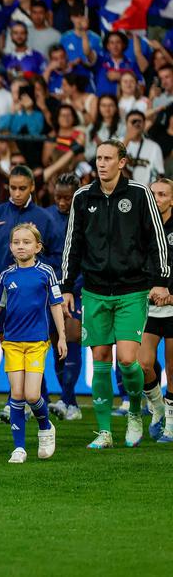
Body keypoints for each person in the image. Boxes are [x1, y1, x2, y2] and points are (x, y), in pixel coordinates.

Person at [61, 139, 170, 449]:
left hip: (132, 289)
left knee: (126, 359)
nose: (101, 163)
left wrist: (161, 279)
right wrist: (66, 287)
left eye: (108, 158)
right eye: (99, 158)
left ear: (122, 162)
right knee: (99, 358)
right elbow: (73, 244)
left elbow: (156, 240)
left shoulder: (140, 194)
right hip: (94, 290)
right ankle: (105, 432)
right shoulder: (83, 196)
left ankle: (135, 412)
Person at [0, 224, 66, 463]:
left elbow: (55, 305)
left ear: (37, 247)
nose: (21, 246)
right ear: (10, 247)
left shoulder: (46, 272)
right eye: (16, 242)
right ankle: (19, 448)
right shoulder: (7, 276)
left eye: (26, 242)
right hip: (12, 343)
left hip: (37, 342)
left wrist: (61, 336)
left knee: (32, 395)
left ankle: (46, 427)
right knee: (17, 395)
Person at [0, 165, 63, 422]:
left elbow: (58, 256)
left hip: (36, 299)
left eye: (22, 188)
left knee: (32, 348)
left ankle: (23, 400)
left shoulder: (44, 219)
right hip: (2, 295)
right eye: (12, 188)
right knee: (10, 348)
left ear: (32, 187)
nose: (16, 193)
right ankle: (25, 399)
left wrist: (39, 274)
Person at [45, 174, 84, 421]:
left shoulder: (85, 215)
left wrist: (72, 285)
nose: (62, 202)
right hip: (50, 289)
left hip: (76, 289)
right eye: (58, 197)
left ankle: (66, 398)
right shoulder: (46, 217)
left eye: (67, 198)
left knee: (71, 337)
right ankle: (71, 403)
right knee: (57, 344)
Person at [140, 178, 173, 442]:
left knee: (172, 369)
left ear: (172, 200)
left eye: (163, 194)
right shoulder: (141, 227)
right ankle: (158, 406)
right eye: (153, 194)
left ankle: (171, 424)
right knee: (142, 364)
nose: (157, 199)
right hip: (148, 307)